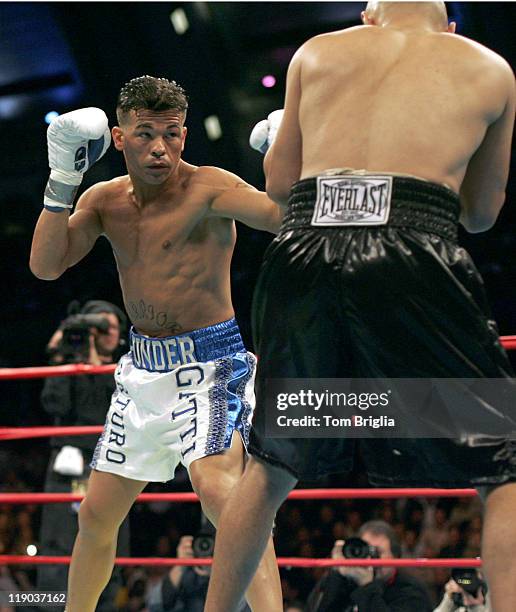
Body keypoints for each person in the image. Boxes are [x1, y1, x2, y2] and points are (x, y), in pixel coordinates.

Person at [204, 2, 515, 611]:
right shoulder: (488, 67)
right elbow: (479, 214)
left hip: (303, 249)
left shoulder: (318, 50)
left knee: (269, 465)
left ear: (370, 16)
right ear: (448, 27)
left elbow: (279, 186)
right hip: (411, 246)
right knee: (504, 464)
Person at [29, 75, 284, 612]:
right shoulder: (103, 201)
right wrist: (60, 181)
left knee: (222, 495)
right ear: (119, 139)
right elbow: (46, 266)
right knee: (96, 515)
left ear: (184, 136)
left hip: (212, 366)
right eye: (144, 134)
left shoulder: (210, 187)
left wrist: (284, 164)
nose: (159, 148)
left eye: (170, 134)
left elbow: (284, 219)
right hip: (143, 372)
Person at [36, 300, 129, 612]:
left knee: (108, 538)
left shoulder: (127, 370)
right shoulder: (68, 365)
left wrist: (94, 363)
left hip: (110, 463)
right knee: (58, 540)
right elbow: (54, 405)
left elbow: (112, 410)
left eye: (109, 327)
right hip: (70, 465)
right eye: (97, 326)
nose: (103, 333)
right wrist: (60, 356)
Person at [306, 520, 432, 612]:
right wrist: (337, 573)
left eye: (377, 552)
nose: (370, 559)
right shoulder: (346, 581)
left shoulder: (411, 591)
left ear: (396, 556)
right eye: (366, 551)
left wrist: (367, 586)